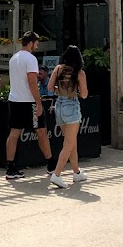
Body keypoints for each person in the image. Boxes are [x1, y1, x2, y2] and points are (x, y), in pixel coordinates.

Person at [5, 30, 56, 180]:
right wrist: (38, 102)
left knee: (14, 133)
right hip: (28, 102)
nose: (37, 46)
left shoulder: (13, 58)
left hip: (14, 100)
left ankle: (10, 167)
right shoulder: (31, 59)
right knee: (41, 131)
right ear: (31, 43)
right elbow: (32, 81)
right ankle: (51, 164)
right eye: (36, 43)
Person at [47, 45, 89, 188]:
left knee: (71, 142)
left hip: (59, 105)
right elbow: (84, 94)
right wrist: (74, 91)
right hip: (72, 106)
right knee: (69, 144)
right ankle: (57, 174)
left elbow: (49, 88)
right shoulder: (79, 73)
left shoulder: (58, 69)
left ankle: (76, 172)